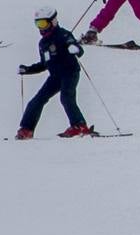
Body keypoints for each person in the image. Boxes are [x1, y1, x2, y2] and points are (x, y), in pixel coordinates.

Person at [16, 8, 95, 139]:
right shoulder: (43, 43)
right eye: (38, 24)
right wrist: (28, 69)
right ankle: (26, 129)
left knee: (66, 97)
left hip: (70, 72)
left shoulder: (64, 35)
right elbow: (44, 64)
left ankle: (79, 126)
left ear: (52, 22)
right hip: (55, 76)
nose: (41, 28)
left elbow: (79, 50)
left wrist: (75, 49)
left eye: (43, 24)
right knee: (36, 101)